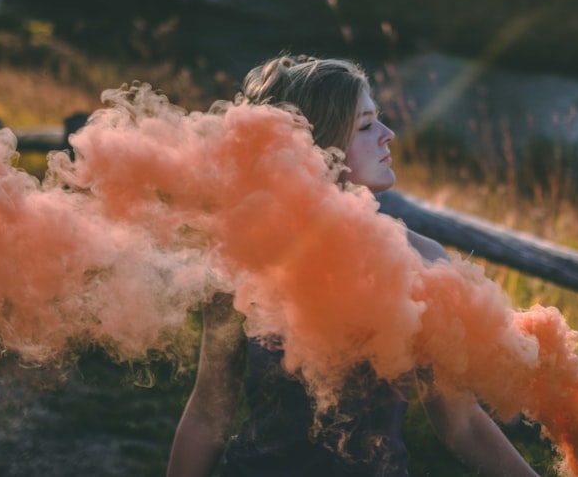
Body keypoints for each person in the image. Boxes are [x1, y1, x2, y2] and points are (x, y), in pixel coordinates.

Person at [166, 55, 540, 477]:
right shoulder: (245, 262)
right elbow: (208, 414)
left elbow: (462, 422)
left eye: (377, 120)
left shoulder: (422, 260)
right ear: (317, 146)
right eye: (365, 126)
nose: (388, 135)